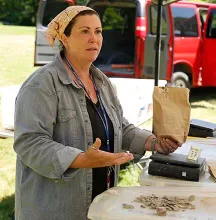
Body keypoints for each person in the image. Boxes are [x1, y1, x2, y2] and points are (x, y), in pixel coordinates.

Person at [13, 6, 181, 220]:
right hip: (56, 210)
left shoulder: (102, 82)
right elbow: (29, 143)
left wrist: (153, 142)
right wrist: (82, 159)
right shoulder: (41, 85)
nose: (94, 38)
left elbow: (120, 127)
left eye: (98, 31)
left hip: (100, 205)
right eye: (84, 31)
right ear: (64, 38)